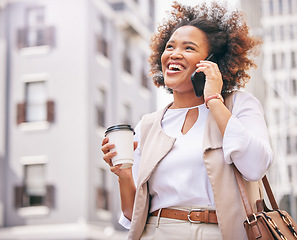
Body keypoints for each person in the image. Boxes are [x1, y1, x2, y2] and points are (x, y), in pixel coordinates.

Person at [101, 1, 274, 239]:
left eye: (189, 48)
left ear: (213, 60)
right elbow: (133, 215)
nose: (174, 54)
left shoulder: (239, 105)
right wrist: (124, 175)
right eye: (170, 46)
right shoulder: (148, 125)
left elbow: (255, 166)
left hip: (222, 233)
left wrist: (213, 99)